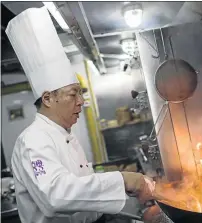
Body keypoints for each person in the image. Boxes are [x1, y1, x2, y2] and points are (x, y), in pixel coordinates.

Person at [6, 6, 155, 223]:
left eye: (81, 93)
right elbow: (55, 196)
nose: (81, 102)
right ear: (47, 99)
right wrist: (122, 180)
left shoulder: (64, 134)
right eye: (73, 94)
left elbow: (82, 190)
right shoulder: (33, 141)